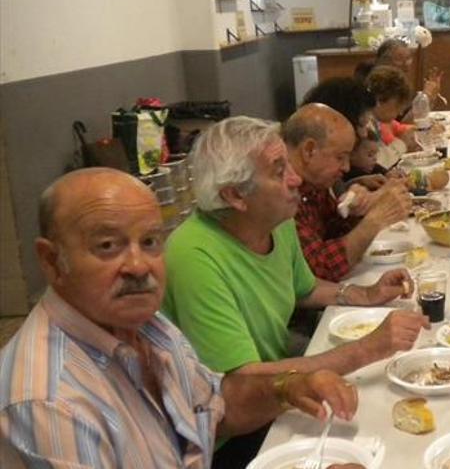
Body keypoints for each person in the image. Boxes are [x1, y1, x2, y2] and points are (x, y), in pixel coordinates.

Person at [0, 168, 358, 468]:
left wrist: (288, 386)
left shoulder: (145, 325)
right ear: (50, 261)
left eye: (151, 242)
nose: (138, 266)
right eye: (108, 246)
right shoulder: (51, 402)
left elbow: (215, 407)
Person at [161, 116, 427, 464]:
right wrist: (367, 348)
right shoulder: (192, 257)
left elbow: (303, 287)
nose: (296, 179)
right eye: (277, 170)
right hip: (229, 438)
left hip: (279, 390)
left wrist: (363, 295)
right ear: (234, 195)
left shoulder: (275, 220)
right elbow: (236, 394)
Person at [284, 104, 413, 281]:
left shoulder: (313, 184)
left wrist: (356, 209)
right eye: (340, 157)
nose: (346, 167)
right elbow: (316, 271)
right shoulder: (281, 194)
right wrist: (375, 220)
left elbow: (333, 233)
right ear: (309, 150)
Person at [300, 76, 401, 190]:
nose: (364, 134)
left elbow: (335, 194)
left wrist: (356, 183)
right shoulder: (305, 181)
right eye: (361, 125)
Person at [365, 65, 420, 166]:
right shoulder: (363, 123)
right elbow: (377, 163)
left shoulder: (375, 121)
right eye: (397, 106)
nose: (400, 113)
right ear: (379, 99)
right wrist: (403, 143)